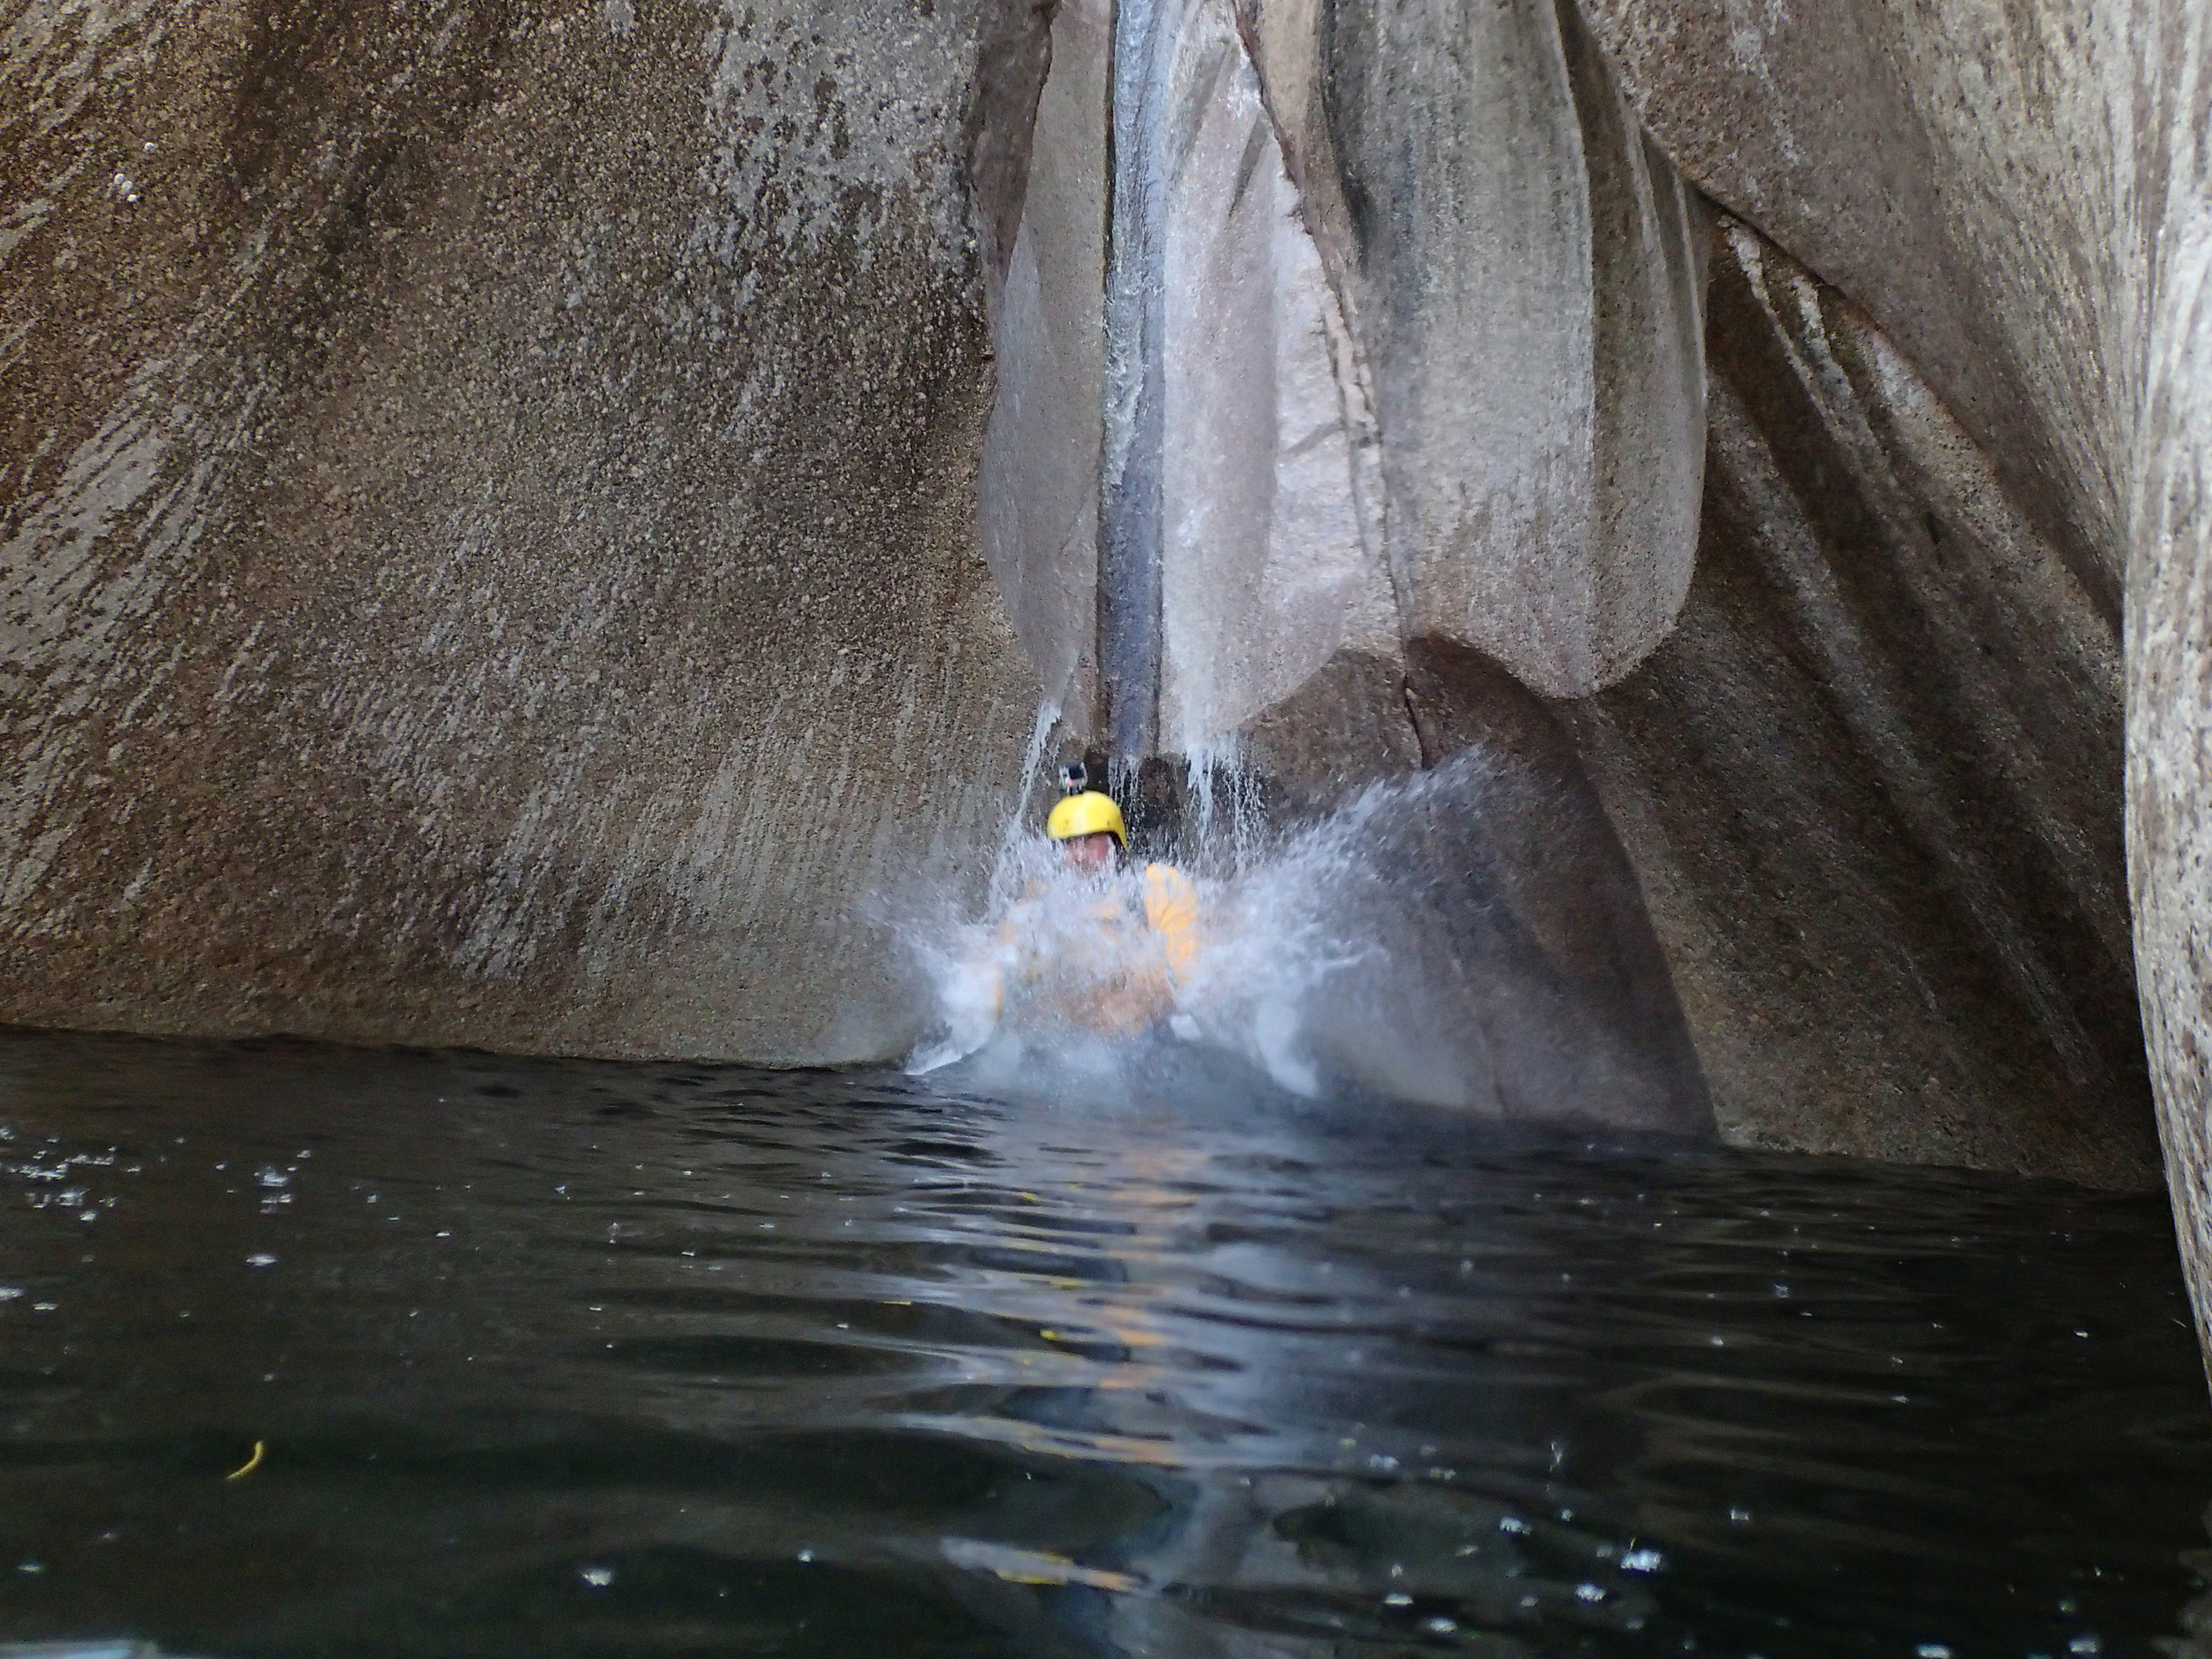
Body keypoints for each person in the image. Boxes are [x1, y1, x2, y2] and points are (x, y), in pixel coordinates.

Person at [987, 785, 1202, 1039]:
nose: (1078, 856)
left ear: (1115, 843)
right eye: (1068, 844)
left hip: (1145, 1039)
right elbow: (998, 978)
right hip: (1064, 1045)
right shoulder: (1038, 900)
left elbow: (1188, 980)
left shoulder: (1157, 886)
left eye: (1089, 841)